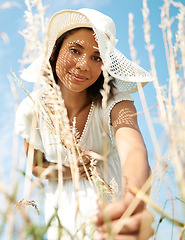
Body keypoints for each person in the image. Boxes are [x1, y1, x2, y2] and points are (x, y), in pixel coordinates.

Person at [15, 8, 153, 240]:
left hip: (113, 214)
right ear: (55, 51)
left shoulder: (115, 103)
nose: (82, 64)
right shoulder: (32, 110)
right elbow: (36, 166)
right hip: (61, 217)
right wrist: (71, 171)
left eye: (96, 57)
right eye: (75, 50)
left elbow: (134, 151)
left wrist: (131, 201)